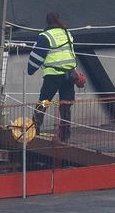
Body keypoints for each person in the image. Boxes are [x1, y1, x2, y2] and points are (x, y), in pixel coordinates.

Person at [28, 12, 78, 141]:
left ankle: (35, 129)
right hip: (69, 74)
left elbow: (37, 56)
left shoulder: (45, 36)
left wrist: (30, 70)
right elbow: (71, 52)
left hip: (53, 74)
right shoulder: (67, 33)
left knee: (44, 101)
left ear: (47, 22)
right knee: (66, 104)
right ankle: (65, 135)